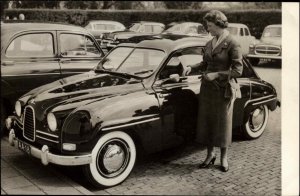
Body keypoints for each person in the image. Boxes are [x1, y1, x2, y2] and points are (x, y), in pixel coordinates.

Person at [186, 10, 243, 172]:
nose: (207, 28)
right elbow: (205, 64)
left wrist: (217, 74)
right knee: (208, 122)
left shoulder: (233, 43)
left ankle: (223, 158)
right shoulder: (210, 42)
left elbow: (239, 71)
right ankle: (210, 155)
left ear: (219, 25)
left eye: (209, 26)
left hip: (223, 89)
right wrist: (191, 67)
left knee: (223, 124)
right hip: (208, 89)